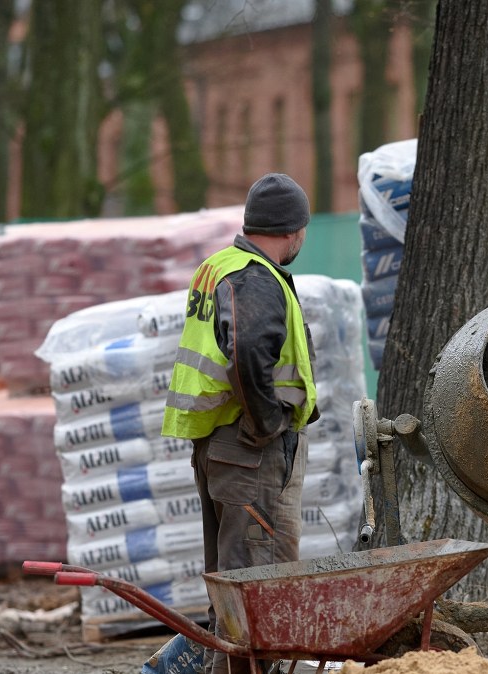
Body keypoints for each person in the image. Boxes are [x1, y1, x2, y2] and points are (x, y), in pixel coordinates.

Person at [162, 173, 319, 674]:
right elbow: (249, 351)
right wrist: (268, 422)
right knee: (257, 594)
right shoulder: (255, 277)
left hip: (219, 447)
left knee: (231, 596)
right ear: (293, 230)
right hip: (248, 451)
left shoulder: (218, 267)